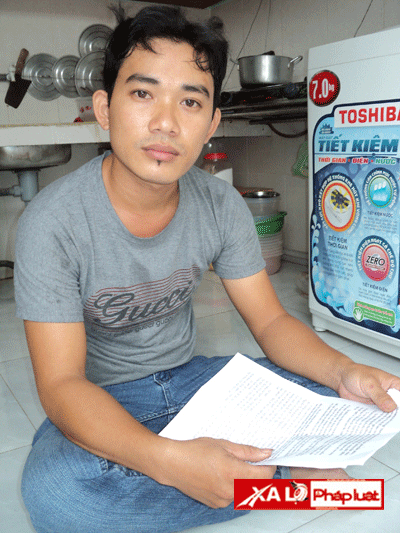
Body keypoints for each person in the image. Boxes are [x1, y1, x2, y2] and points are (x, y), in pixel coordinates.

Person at [15, 5, 400, 533]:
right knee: (57, 494)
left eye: (191, 101)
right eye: (143, 94)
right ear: (104, 108)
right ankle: (283, 478)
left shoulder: (220, 204)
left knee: (340, 394)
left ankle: (244, 476)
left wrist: (343, 371)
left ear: (212, 123)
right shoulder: (52, 222)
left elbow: (271, 322)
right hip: (106, 399)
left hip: (198, 384)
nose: (166, 123)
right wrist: (166, 461)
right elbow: (62, 385)